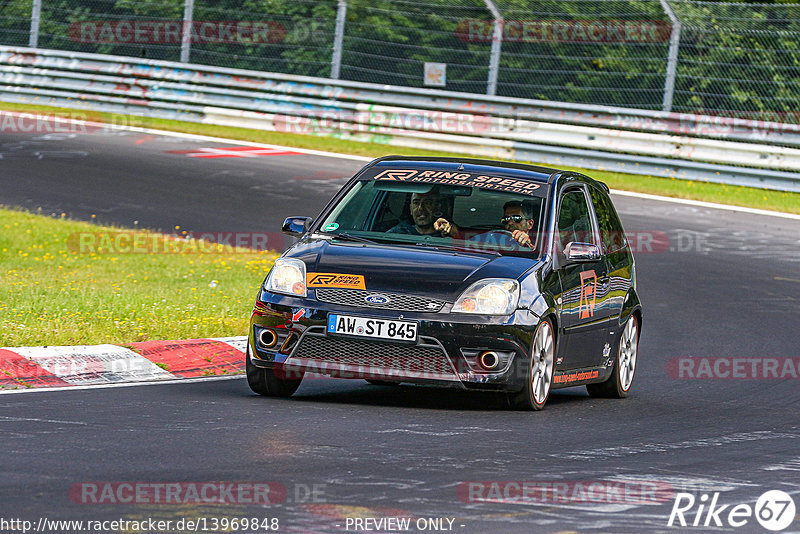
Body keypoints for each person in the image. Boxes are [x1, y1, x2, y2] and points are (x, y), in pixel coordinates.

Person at [387, 189, 459, 237]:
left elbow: (461, 238)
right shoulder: (399, 233)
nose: (420, 208)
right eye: (416, 203)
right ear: (410, 209)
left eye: (427, 203)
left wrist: (450, 230)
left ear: (437, 208)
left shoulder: (445, 235)